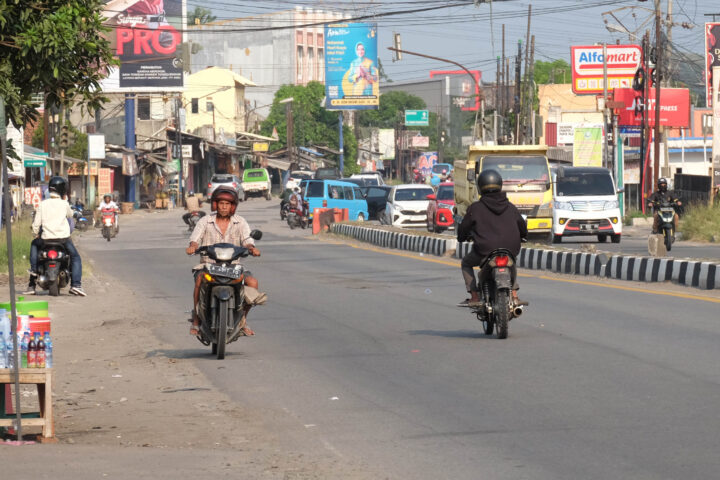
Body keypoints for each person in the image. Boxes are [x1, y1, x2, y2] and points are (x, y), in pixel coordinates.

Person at [185, 186, 263, 337]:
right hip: (208, 266)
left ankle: (242, 319)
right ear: (215, 204)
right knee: (200, 280)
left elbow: (247, 239)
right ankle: (196, 318)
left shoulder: (240, 222)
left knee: (252, 283)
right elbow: (195, 238)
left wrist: (252, 248)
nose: (224, 207)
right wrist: (193, 246)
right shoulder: (205, 221)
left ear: (232, 206)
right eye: (221, 203)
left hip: (233, 267)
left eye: (227, 204)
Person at [457, 169, 527, 307]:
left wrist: (462, 237)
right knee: (511, 261)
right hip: (510, 249)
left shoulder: (475, 208)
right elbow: (523, 229)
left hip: (484, 251)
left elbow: (463, 230)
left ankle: (475, 296)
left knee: (466, 263)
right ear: (499, 185)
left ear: (480, 187)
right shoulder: (510, 207)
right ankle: (514, 294)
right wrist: (523, 236)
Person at [25, 176, 86, 296]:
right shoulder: (64, 204)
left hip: (46, 240)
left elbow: (36, 224)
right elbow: (70, 215)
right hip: (63, 240)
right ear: (63, 190)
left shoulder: (43, 204)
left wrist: (35, 233)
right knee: (75, 257)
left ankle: (32, 279)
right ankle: (76, 285)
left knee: (34, 245)